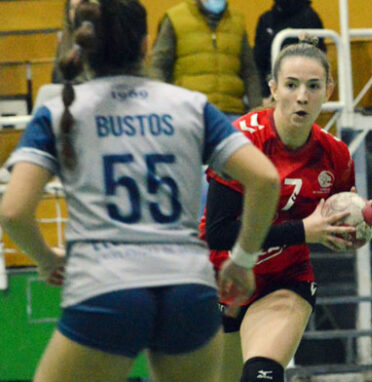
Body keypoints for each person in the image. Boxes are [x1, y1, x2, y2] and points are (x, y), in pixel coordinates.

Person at [0, 1, 280, 381]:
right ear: (147, 45)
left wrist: (46, 258)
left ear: (80, 47)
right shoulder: (191, 106)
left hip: (106, 288)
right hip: (188, 290)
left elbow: (13, 212)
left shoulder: (59, 112)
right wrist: (243, 259)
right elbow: (265, 179)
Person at [200, 35, 372, 382]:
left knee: (261, 376)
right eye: (292, 85)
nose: (302, 96)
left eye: (313, 86)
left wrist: (360, 218)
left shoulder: (336, 155)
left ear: (329, 90)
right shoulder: (241, 141)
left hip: (284, 281)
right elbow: (218, 234)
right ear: (273, 88)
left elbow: (336, 218)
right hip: (220, 277)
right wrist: (303, 231)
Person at [150, 0, 263, 122]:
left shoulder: (237, 21)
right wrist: (161, 106)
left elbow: (249, 72)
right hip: (189, 111)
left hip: (231, 111)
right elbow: (158, 67)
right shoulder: (175, 19)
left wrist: (256, 110)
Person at [253, 0, 326, 101]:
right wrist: (264, 95)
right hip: (271, 90)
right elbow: (258, 62)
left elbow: (318, 61)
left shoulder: (310, 18)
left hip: (303, 91)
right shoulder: (266, 20)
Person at [51, 0, 92, 84]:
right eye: (72, 8)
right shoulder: (64, 42)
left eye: (80, 6)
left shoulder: (99, 40)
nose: (75, 12)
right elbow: (57, 78)